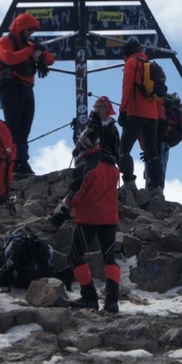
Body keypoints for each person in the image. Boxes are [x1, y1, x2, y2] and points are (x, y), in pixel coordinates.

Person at [51, 127, 121, 313]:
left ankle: (89, 297)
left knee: (76, 255)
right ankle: (112, 301)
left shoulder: (87, 166)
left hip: (90, 217)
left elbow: (76, 195)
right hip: (110, 217)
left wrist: (62, 212)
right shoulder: (112, 166)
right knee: (110, 258)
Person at [0, 12, 55, 177]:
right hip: (11, 89)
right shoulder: (5, 42)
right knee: (13, 129)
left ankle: (21, 161)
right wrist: (31, 50)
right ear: (21, 28)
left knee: (24, 129)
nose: (31, 34)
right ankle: (13, 162)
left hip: (27, 89)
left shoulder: (29, 44)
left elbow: (50, 60)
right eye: (28, 30)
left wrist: (41, 51)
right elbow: (8, 58)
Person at [117, 39, 164, 198]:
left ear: (127, 52)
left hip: (136, 112)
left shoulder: (131, 64)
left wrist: (123, 111)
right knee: (152, 152)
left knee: (123, 150)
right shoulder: (150, 65)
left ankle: (130, 183)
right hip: (152, 115)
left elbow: (127, 88)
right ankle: (156, 187)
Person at [87, 96, 120, 161]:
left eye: (100, 106)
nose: (97, 109)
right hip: (91, 159)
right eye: (95, 106)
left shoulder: (112, 128)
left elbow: (117, 146)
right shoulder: (88, 124)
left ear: (106, 109)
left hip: (108, 160)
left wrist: (119, 159)